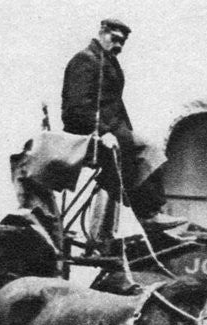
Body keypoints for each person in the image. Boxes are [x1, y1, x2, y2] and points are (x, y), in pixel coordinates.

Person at [60, 18, 186, 232]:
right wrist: (102, 132)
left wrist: (125, 132)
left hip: (111, 130)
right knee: (142, 150)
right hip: (88, 131)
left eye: (122, 42)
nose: (118, 45)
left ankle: (151, 213)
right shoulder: (86, 60)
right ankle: (148, 214)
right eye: (114, 39)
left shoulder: (107, 62)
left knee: (150, 151)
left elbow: (115, 105)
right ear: (102, 32)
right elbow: (77, 107)